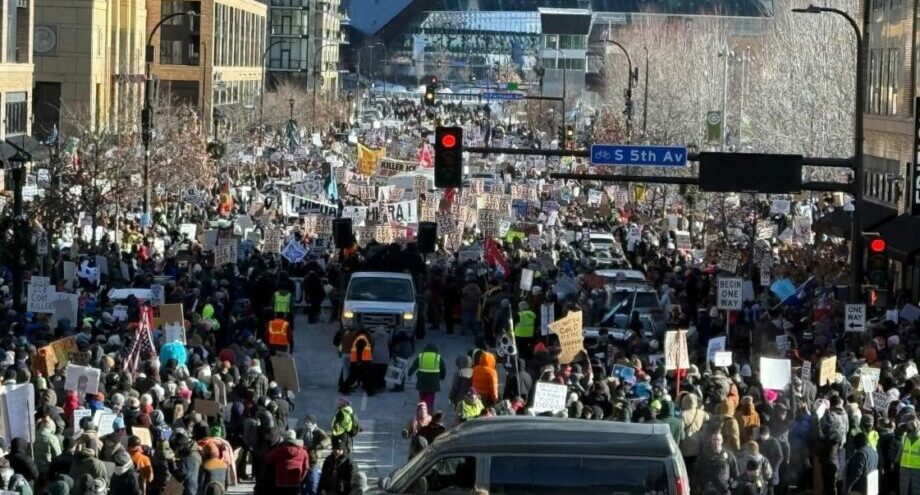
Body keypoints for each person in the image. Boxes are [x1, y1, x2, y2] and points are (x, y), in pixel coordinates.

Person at [263, 431, 309, 495]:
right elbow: (306, 468)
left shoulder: (279, 450)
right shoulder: (303, 451)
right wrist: (300, 479)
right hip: (295, 482)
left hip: (281, 482)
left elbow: (268, 459)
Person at [407, 344, 447, 410]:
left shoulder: (421, 356)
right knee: (431, 394)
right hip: (433, 380)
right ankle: (429, 409)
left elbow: (414, 366)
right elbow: (443, 369)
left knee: (422, 393)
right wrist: (442, 377)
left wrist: (409, 374)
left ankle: (421, 408)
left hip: (422, 379)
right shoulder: (438, 357)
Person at [900, 418, 920, 495]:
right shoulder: (905, 436)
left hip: (917, 469)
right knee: (903, 491)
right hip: (904, 468)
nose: (908, 431)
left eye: (910, 429)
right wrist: (895, 461)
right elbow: (901, 450)